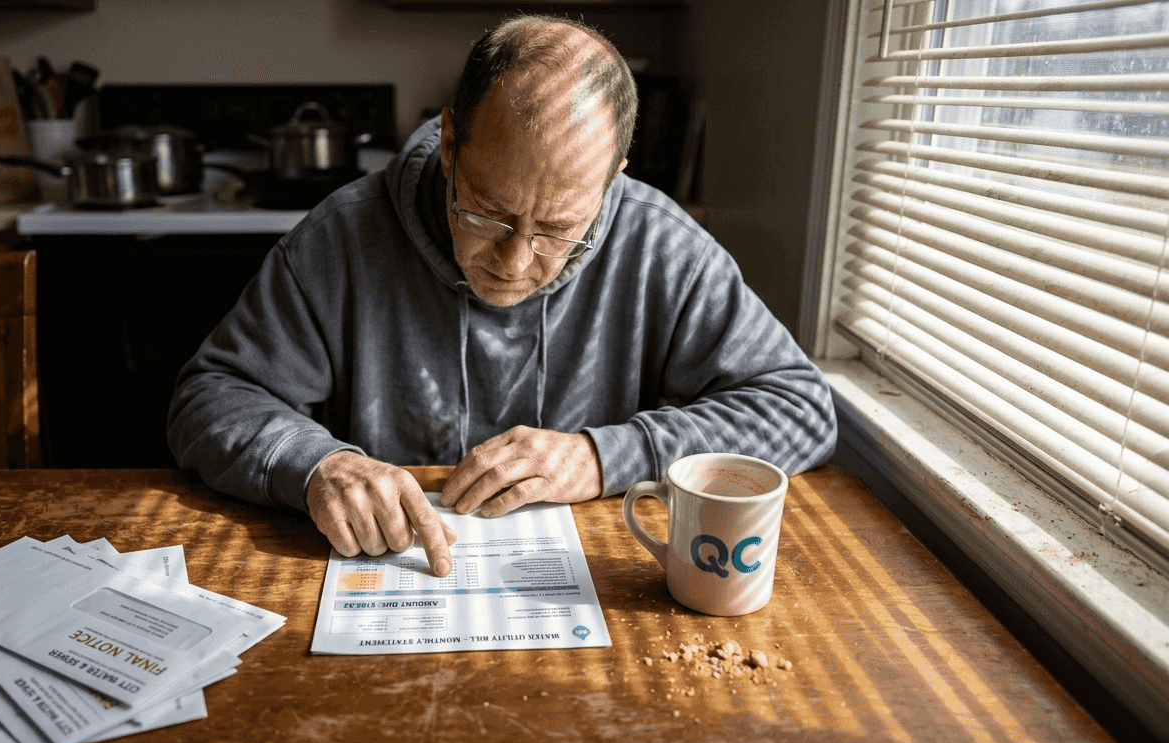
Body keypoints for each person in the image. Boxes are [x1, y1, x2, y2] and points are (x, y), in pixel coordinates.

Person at [167, 15, 837, 578]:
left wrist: (603, 456)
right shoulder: (340, 237)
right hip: (382, 581)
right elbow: (209, 397)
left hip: (587, 595)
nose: (515, 263)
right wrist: (317, 465)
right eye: (487, 213)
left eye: (558, 230)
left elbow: (799, 411)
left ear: (611, 182)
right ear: (451, 142)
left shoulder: (662, 245)